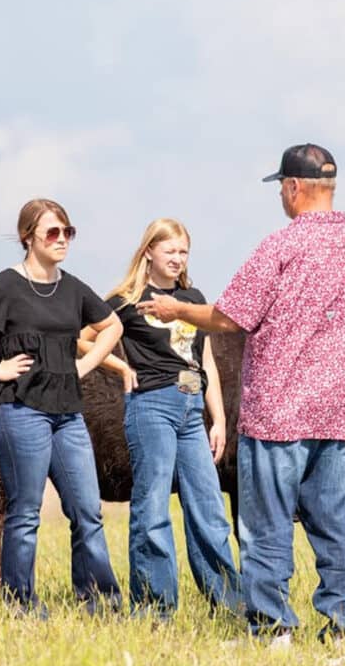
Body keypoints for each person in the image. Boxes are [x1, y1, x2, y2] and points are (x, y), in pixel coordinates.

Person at [138, 144, 345, 646]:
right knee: (339, 532)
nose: (281, 195)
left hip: (277, 414)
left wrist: (176, 310)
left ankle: (272, 627)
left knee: (268, 529)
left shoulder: (279, 247)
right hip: (337, 417)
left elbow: (230, 318)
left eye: (282, 186)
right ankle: (344, 629)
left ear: (295, 188)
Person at [0, 198, 123, 617]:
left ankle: (100, 602)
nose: (62, 240)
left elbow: (112, 325)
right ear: (28, 238)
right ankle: (19, 604)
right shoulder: (6, 285)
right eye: (52, 233)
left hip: (67, 412)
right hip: (19, 409)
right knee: (25, 512)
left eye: (67, 232)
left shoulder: (72, 287)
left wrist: (86, 364)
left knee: (87, 511)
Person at [83, 218, 242, 620]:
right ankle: (155, 609)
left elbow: (204, 359)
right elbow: (82, 336)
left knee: (208, 508)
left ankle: (229, 606)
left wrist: (218, 419)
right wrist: (120, 366)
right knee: (152, 508)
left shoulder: (192, 297)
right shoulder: (125, 300)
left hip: (193, 410)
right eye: (170, 250)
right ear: (149, 251)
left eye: (183, 251)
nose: (177, 258)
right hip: (151, 406)